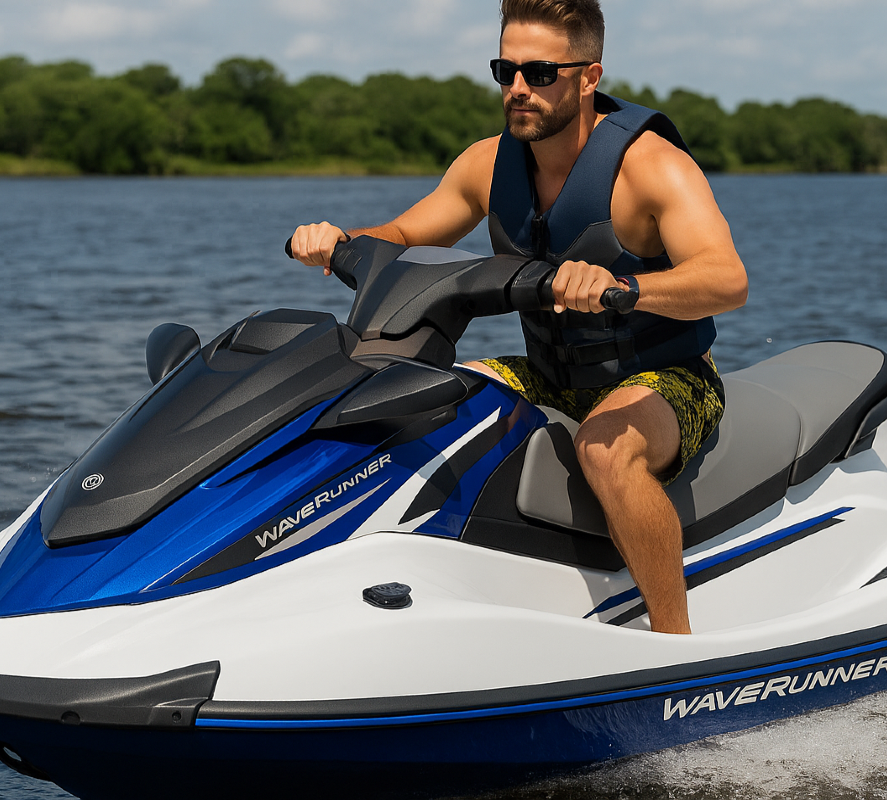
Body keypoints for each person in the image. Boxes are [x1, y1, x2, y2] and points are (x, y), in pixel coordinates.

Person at [289, 0, 747, 634]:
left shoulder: (652, 168)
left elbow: (727, 280)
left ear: (589, 77)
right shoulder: (487, 164)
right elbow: (401, 234)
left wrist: (622, 287)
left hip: (666, 378)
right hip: (549, 375)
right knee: (413, 401)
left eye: (540, 73)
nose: (519, 90)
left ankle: (677, 646)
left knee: (606, 451)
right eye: (506, 71)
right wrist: (339, 240)